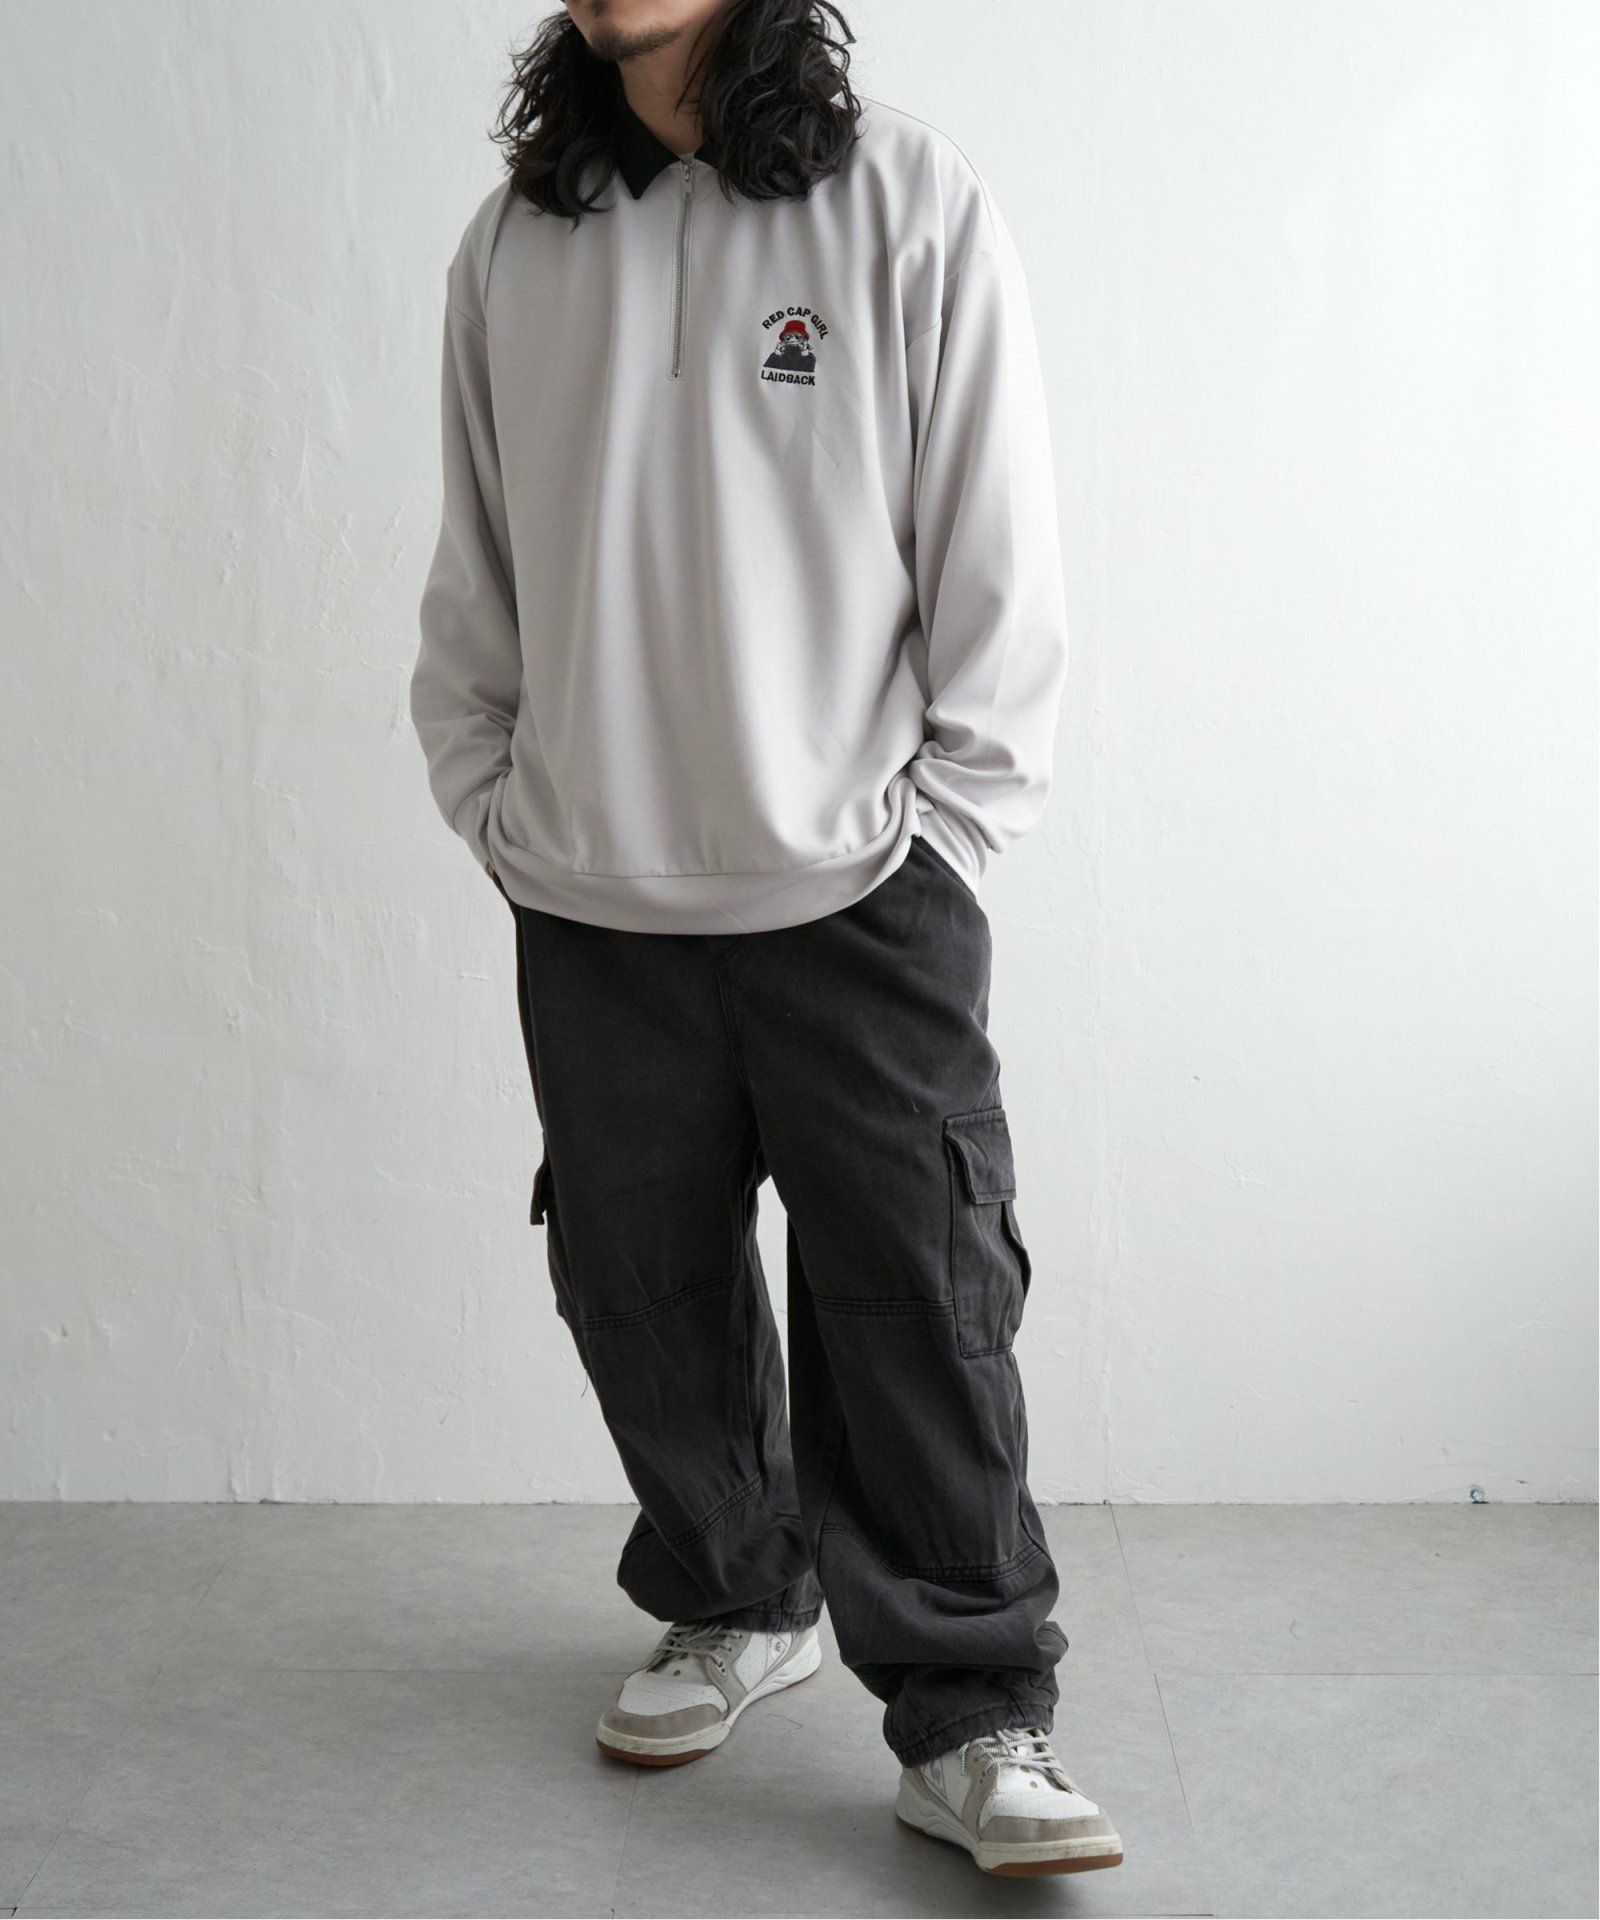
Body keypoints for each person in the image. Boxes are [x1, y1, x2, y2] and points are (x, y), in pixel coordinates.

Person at [410, 0, 1122, 1880]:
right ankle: (740, 1592)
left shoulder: (903, 201)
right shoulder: (520, 241)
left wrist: (944, 837)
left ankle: (972, 1715)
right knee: (635, 1287)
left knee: (915, 1297)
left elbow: (996, 550)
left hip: (857, 892)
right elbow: (480, 568)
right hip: (591, 897)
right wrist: (500, 808)